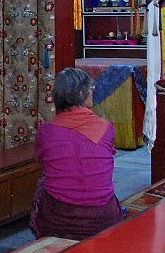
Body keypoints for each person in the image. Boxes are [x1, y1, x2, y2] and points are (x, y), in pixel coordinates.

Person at [30, 67, 121, 241]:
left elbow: (41, 161)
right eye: (90, 89)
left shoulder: (46, 132)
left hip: (58, 219)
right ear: (81, 93)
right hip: (102, 219)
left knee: (43, 182)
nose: (92, 92)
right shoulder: (105, 128)